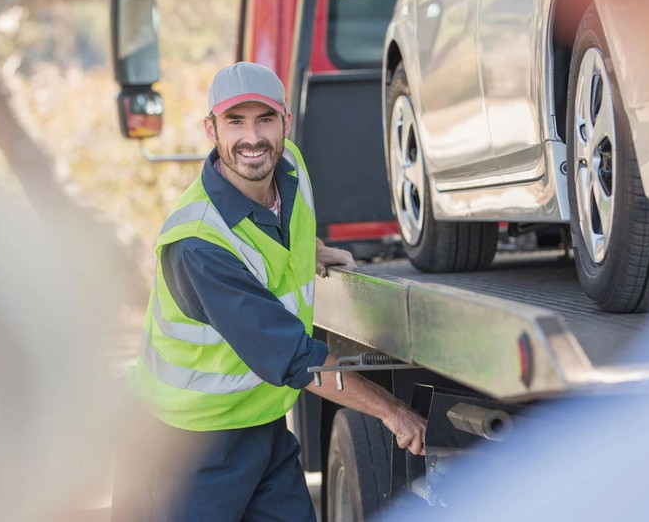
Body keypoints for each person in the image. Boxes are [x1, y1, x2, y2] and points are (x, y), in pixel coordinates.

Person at [111, 61, 427, 521]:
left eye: (264, 119)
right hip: (184, 446)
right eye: (235, 122)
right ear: (211, 129)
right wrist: (392, 411)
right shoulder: (199, 242)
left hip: (261, 426)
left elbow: (278, 232)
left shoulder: (290, 167)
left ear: (285, 122)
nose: (252, 138)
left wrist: (312, 249)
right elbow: (295, 358)